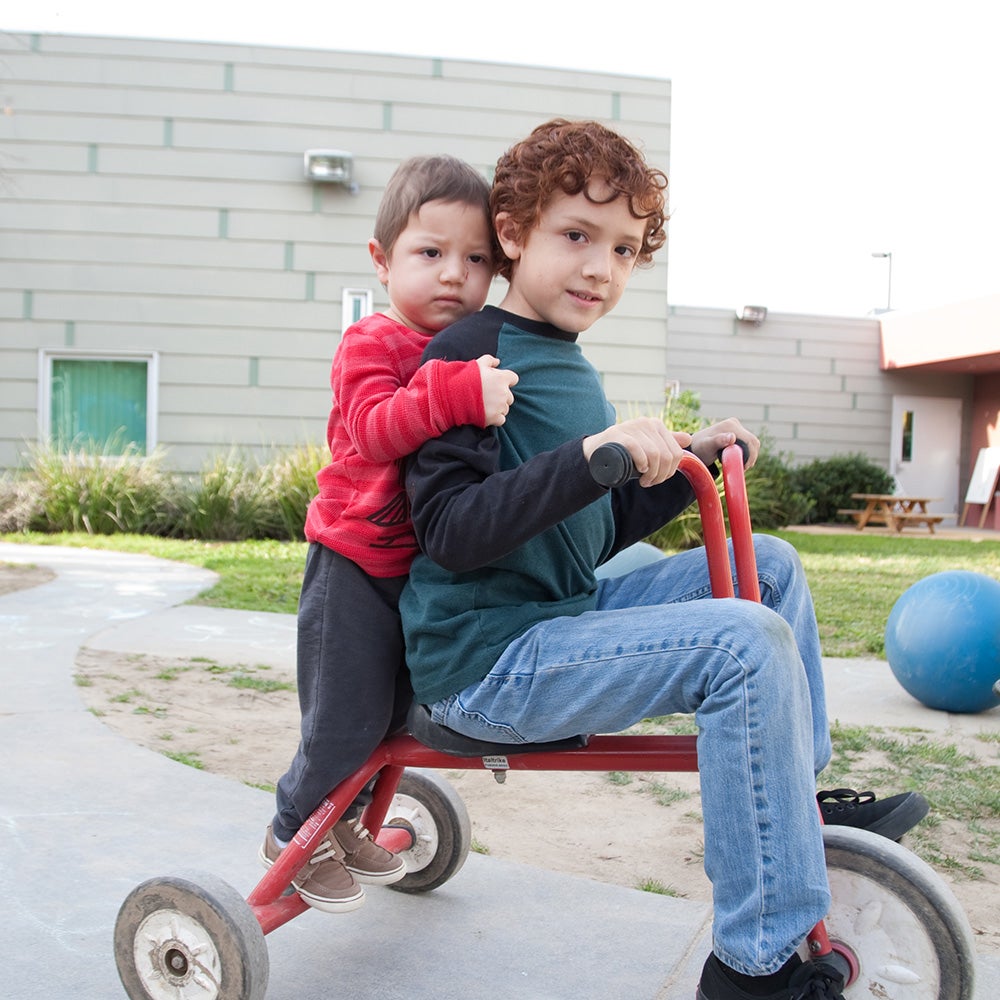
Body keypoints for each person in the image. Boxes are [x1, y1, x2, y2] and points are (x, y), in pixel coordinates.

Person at [398, 120, 925, 1000]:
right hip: (487, 665)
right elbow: (449, 528)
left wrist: (684, 468)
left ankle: (794, 809)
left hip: (556, 618)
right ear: (515, 232)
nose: (601, 267)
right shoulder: (468, 356)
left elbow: (584, 534)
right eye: (577, 236)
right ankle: (754, 966)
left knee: (777, 565)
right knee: (742, 642)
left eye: (625, 249)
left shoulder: (568, 365)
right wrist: (585, 458)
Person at [260, 155, 518, 914]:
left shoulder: (469, 351)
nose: (453, 276)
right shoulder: (370, 342)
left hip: (414, 576)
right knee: (343, 718)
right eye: (430, 253)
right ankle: (290, 831)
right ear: (382, 260)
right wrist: (458, 392)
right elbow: (375, 431)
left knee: (391, 719)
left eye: (476, 260)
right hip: (352, 565)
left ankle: (339, 828)